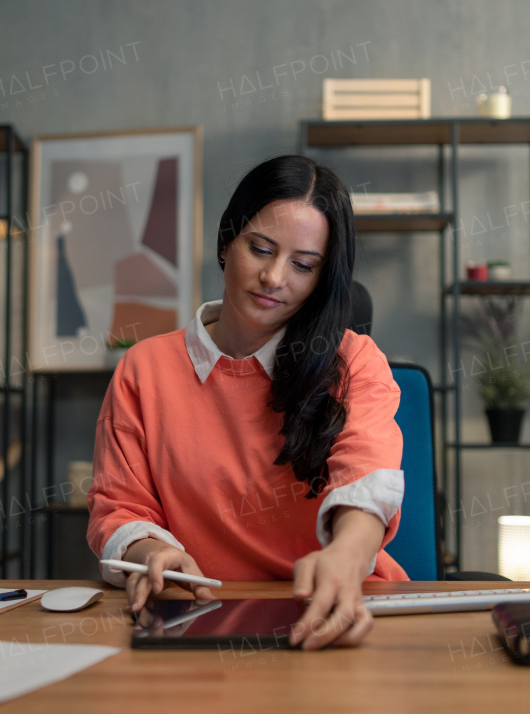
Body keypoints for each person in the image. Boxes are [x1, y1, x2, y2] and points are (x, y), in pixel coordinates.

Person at [87, 155, 407, 650]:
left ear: (321, 279)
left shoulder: (354, 361)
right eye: (260, 249)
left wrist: (346, 555)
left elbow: (366, 483)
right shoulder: (144, 370)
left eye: (303, 265)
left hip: (339, 612)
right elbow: (118, 507)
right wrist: (150, 551)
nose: (274, 277)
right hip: (202, 620)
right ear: (225, 243)